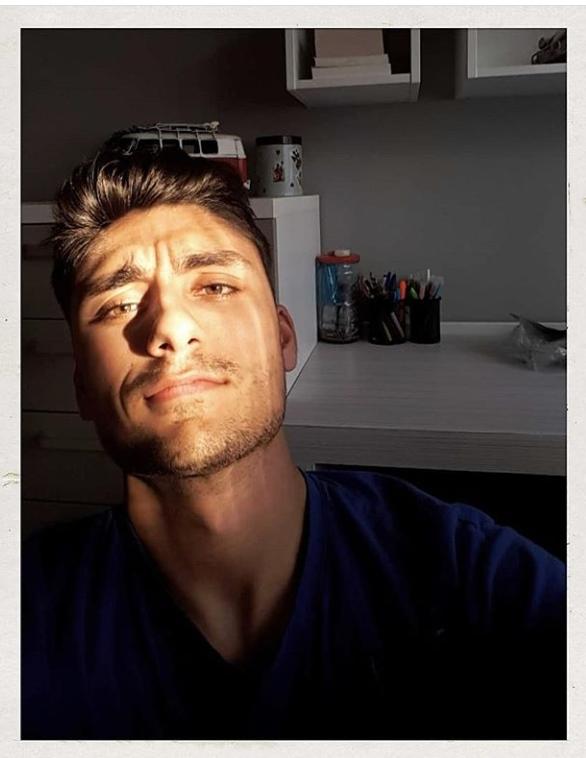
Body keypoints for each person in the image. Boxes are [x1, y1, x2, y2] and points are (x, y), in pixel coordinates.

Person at [22, 149, 565, 740]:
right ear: (82, 385)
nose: (171, 328)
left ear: (284, 337)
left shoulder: (467, 576)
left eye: (215, 285)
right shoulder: (28, 617)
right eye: (120, 304)